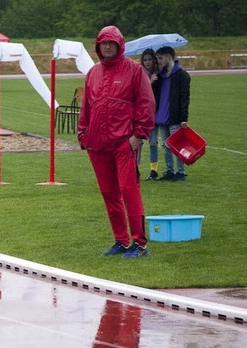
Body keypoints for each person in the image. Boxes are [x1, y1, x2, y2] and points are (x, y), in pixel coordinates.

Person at [78, 25, 155, 259]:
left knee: (128, 190)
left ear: (119, 44)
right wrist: (83, 134)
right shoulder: (93, 72)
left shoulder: (134, 70)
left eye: (111, 43)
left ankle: (139, 244)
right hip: (97, 145)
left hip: (124, 143)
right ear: (98, 46)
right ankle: (121, 240)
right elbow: (86, 106)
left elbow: (146, 103)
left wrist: (138, 135)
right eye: (104, 43)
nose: (108, 46)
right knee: (109, 192)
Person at [154, 46, 191, 181]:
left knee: (177, 146)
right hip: (162, 116)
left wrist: (184, 118)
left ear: (169, 57)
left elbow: (184, 98)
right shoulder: (160, 76)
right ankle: (169, 171)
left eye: (160, 58)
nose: (158, 61)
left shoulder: (182, 75)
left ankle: (180, 172)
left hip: (175, 117)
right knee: (166, 146)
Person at [138, 49, 161, 180]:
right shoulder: (140, 74)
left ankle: (154, 170)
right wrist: (150, 82)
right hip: (142, 114)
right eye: (145, 60)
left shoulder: (158, 74)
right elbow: (141, 94)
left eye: (149, 60)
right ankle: (136, 169)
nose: (147, 62)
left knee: (153, 142)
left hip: (154, 113)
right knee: (138, 143)